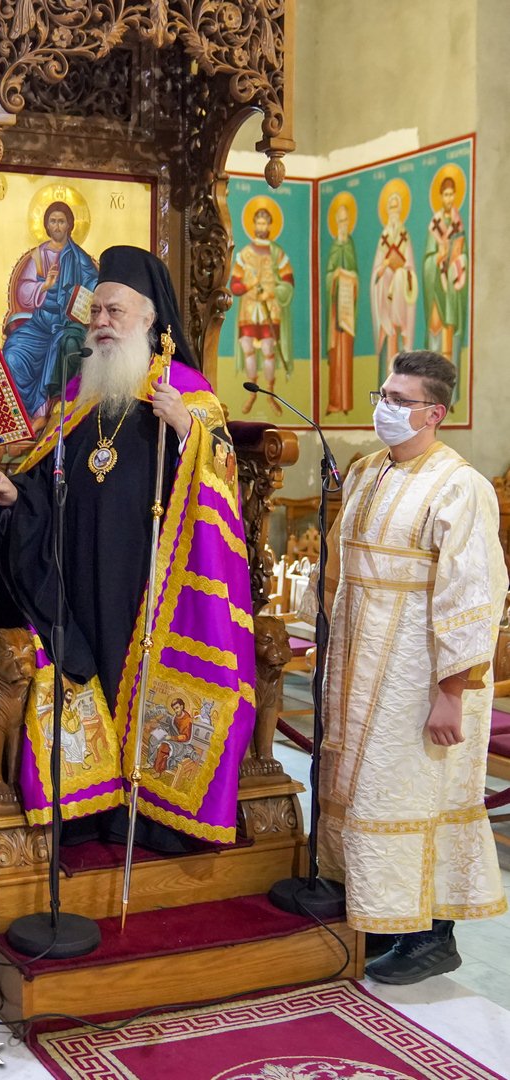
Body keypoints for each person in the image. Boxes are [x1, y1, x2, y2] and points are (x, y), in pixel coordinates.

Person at [0, 246, 256, 850]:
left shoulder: (186, 392)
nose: (102, 322)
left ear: (150, 320)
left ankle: (149, 808)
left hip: (148, 580)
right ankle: (88, 808)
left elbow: (222, 477)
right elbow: (45, 479)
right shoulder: (80, 394)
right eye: (96, 312)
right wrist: (15, 495)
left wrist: (185, 428)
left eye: (115, 311)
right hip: (78, 574)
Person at [301, 350, 507, 984]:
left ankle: (432, 937)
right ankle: (380, 914)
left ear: (434, 413)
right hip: (358, 663)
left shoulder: (460, 487)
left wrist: (452, 694)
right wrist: (317, 635)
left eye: (399, 400)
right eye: (382, 395)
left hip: (418, 676)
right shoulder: (366, 471)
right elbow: (338, 566)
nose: (384, 408)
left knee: (418, 794)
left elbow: (473, 596)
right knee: (359, 789)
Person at [2, 200, 98, 419]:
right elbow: (23, 291)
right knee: (12, 353)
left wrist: (83, 290)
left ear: (69, 225)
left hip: (66, 323)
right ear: (46, 225)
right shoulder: (38, 256)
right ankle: (24, 419)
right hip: (40, 323)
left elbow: (94, 284)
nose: (57, 226)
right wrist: (44, 286)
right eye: (52, 221)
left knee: (66, 347)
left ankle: (49, 417)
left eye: (61, 221)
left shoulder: (78, 257)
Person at [231, 206, 294, 415]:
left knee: (268, 349)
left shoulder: (277, 254)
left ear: (269, 226)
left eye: (264, 223)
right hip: (249, 309)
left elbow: (288, 281)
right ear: (254, 226)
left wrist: (272, 291)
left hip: (270, 308)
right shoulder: (245, 254)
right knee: (248, 347)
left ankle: (270, 394)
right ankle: (252, 392)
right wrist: (248, 285)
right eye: (258, 223)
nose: (261, 227)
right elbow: (235, 285)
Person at [423, 176, 468, 405]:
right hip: (437, 290)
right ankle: (431, 396)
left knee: (451, 336)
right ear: (440, 197)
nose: (449, 199)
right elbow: (427, 261)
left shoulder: (458, 226)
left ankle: (449, 396)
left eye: (452, 194)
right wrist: (437, 257)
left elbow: (464, 255)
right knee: (436, 332)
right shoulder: (435, 225)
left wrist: (458, 260)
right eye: (446, 194)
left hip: (451, 290)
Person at [371, 191, 417, 385]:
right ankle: (386, 388)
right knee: (388, 337)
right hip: (386, 302)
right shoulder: (383, 238)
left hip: (401, 302)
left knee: (399, 341)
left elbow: (410, 269)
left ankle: (402, 387)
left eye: (396, 208)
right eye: (391, 208)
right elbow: (376, 274)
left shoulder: (405, 237)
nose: (394, 212)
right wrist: (384, 267)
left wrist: (401, 274)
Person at [325, 201, 359, 415]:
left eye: (346, 220)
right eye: (340, 221)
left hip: (348, 313)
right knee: (336, 354)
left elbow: (356, 275)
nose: (343, 224)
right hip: (335, 312)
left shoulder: (350, 245)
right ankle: (335, 401)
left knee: (346, 355)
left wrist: (351, 278)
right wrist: (334, 276)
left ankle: (346, 402)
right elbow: (328, 277)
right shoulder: (334, 247)